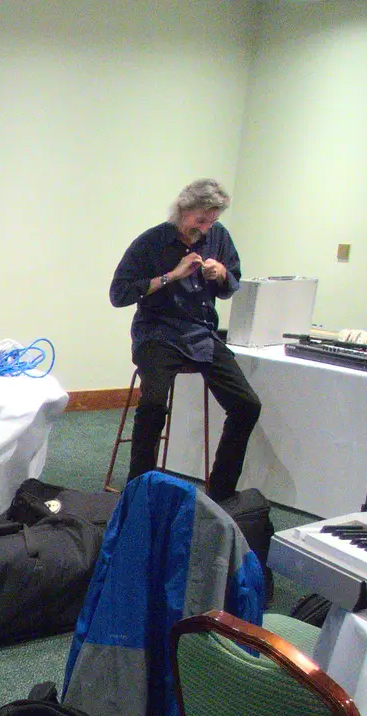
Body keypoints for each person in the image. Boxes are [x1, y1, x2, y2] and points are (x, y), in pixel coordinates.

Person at [109, 178, 261, 502]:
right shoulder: (151, 243)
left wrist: (220, 274)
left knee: (247, 405)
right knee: (152, 404)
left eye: (212, 221)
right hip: (157, 331)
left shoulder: (218, 237)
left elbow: (231, 283)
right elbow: (119, 294)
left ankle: (220, 492)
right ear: (182, 210)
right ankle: (139, 489)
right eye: (200, 220)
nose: (206, 228)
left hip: (201, 331)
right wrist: (172, 275)